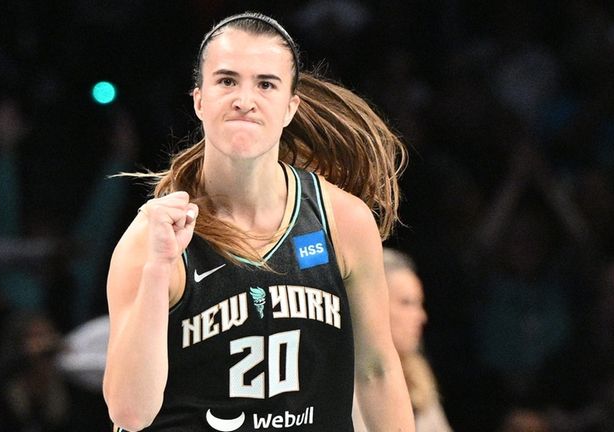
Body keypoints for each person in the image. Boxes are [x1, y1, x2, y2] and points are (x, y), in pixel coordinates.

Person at [103, 12, 414, 431]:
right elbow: (130, 413)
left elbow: (376, 372)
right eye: (227, 81)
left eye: (265, 84)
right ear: (199, 100)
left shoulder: (343, 221)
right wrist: (158, 270)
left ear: (290, 107)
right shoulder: (152, 240)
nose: (244, 99)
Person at [354, 248, 452, 432]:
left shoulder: (416, 376)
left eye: (419, 304)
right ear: (372, 305)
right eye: (407, 303)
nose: (421, 316)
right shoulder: (343, 380)